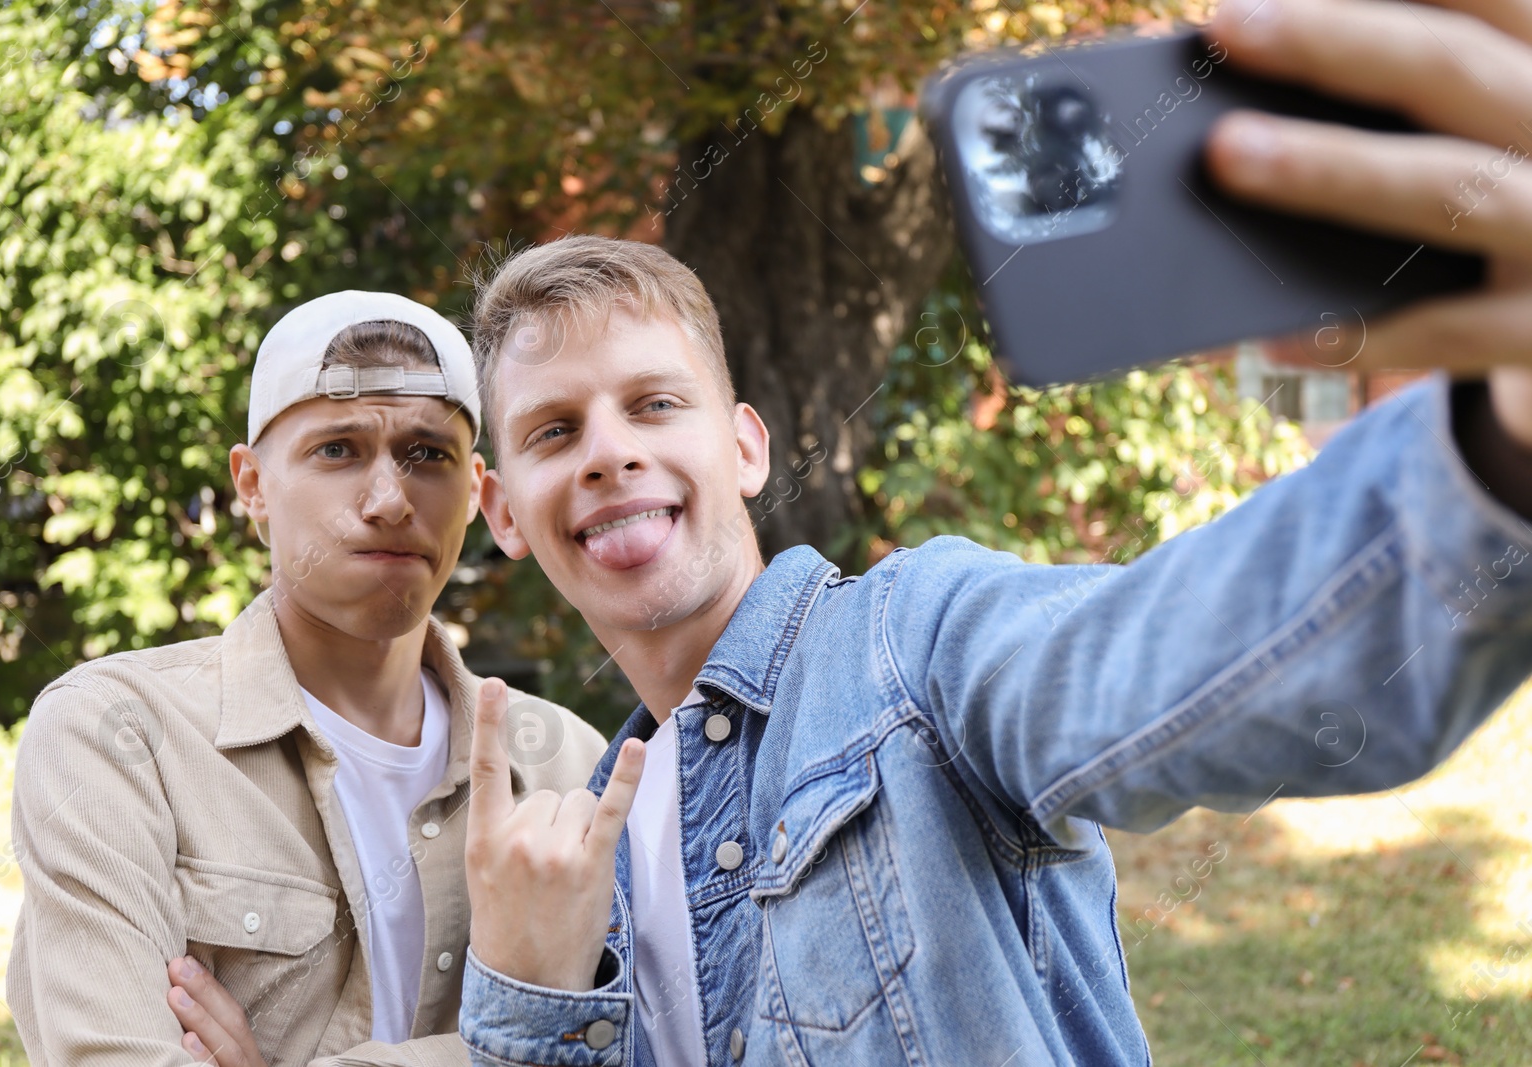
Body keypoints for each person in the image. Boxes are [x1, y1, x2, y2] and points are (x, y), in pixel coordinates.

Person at [452, 1, 1532, 1063]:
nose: (607, 452)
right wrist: (524, 999)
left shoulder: (914, 646)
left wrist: (1505, 440)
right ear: (502, 511)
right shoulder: (576, 851)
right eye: (555, 429)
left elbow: (1210, 660)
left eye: (653, 404)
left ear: (746, 448)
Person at [6, 292, 608, 1066]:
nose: (390, 501)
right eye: (338, 450)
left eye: (428, 455)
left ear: (478, 493)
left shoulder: (566, 764)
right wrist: (513, 1047)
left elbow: (654, 1041)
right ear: (252, 483)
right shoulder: (117, 736)